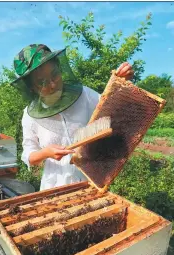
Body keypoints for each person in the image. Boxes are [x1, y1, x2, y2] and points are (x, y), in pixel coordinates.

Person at [11, 44, 134, 191]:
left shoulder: (85, 95)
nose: (52, 84)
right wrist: (46, 153)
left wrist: (120, 83)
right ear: (31, 87)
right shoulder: (30, 116)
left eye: (54, 74)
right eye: (41, 82)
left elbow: (110, 110)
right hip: (54, 185)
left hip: (91, 181)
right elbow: (28, 155)